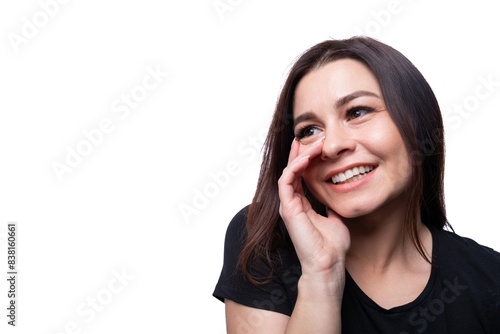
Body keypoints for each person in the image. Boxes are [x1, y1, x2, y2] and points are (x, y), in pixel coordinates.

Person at [212, 36, 500, 333]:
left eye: (357, 112)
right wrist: (321, 274)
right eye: (310, 130)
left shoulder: (490, 280)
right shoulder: (263, 240)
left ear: (418, 122)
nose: (332, 146)